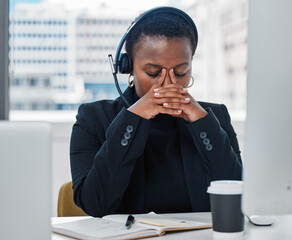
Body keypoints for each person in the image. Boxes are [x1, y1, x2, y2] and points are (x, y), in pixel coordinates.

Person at [70, 7, 242, 218]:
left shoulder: (214, 117)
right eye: (153, 72)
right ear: (128, 67)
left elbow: (238, 194)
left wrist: (201, 121)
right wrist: (133, 118)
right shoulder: (93, 118)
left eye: (181, 72)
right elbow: (95, 204)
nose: (168, 83)